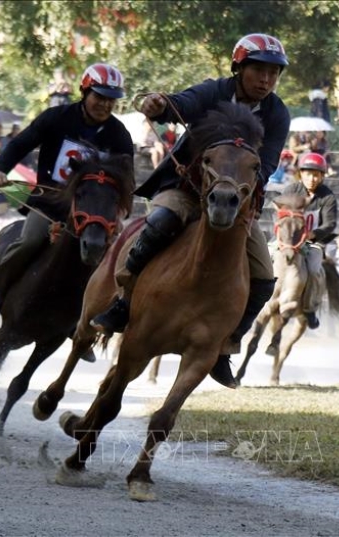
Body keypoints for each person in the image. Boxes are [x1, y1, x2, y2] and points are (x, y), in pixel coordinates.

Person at [90, 33, 291, 388]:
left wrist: (233, 187)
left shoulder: (278, 113)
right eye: (258, 70)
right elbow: (184, 102)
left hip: (235, 201)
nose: (266, 80)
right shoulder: (215, 91)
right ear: (238, 68)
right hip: (187, 189)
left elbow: (268, 161)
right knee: (159, 221)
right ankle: (123, 302)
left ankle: (227, 346)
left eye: (274, 73)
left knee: (263, 277)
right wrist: (161, 106)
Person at [0, 62, 134, 335]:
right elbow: (21, 144)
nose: (104, 105)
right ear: (84, 91)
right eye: (99, 97)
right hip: (49, 204)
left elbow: (127, 179)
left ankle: (85, 322)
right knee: (30, 240)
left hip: (92, 212)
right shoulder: (56, 118)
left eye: (111, 100)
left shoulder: (119, 135)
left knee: (113, 257)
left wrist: (118, 212)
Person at [281, 152, 337, 329]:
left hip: (313, 243)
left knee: (313, 270)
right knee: (266, 259)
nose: (312, 178)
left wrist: (310, 235)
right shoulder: (291, 191)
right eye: (308, 173)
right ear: (301, 174)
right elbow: (282, 214)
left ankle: (309, 307)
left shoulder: (327, 197)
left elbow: (330, 224)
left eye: (316, 174)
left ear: (322, 176)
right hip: (288, 240)